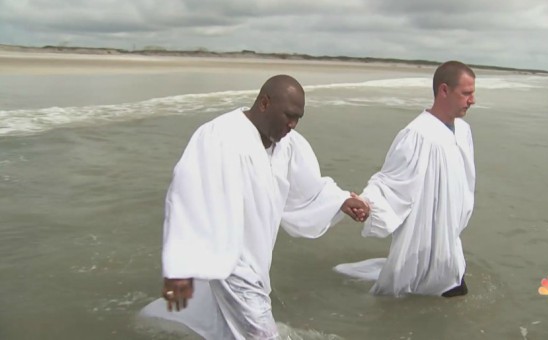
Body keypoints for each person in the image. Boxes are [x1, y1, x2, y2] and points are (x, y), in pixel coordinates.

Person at [139, 74, 370, 339]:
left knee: (224, 327)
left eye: (298, 118)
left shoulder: (288, 145)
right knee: (261, 334)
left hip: (258, 262)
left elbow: (307, 189)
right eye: (288, 115)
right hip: (232, 262)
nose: (293, 124)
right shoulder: (220, 137)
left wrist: (341, 201)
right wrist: (179, 268)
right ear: (264, 103)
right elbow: (186, 198)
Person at [334, 61, 476, 297]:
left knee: (449, 293)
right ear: (443, 91)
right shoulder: (417, 135)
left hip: (450, 240)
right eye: (466, 93)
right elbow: (390, 182)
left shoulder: (463, 131)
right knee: (425, 293)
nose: (472, 100)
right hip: (423, 238)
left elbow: (466, 183)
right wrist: (368, 205)